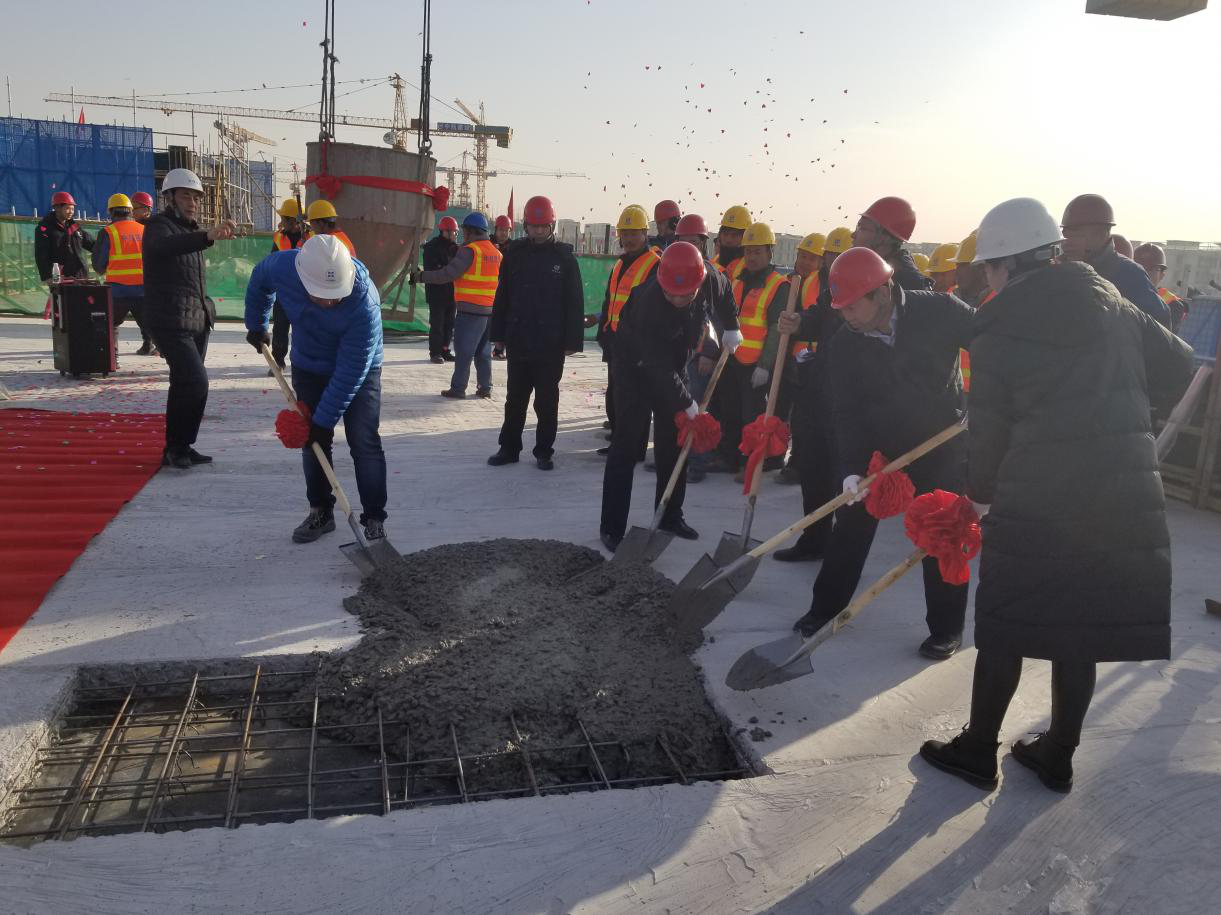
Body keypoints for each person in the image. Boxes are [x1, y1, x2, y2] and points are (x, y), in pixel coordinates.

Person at [919, 197, 1194, 793]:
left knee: (1007, 618)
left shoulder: (998, 327)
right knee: (1082, 621)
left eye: (989, 268)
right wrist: (1122, 414)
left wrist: (979, 498)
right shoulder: (1107, 297)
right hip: (1119, 491)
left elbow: (989, 433)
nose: (987, 280)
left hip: (1039, 495)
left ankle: (977, 751)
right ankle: (1058, 755)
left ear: (1007, 264)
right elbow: (1178, 363)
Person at [789, 246, 975, 660]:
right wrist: (852, 469)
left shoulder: (939, 311)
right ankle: (825, 609)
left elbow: (992, 343)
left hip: (941, 440)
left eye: (853, 306)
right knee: (851, 522)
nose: (847, 316)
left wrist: (988, 401)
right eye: (841, 308)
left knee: (943, 532)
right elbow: (848, 411)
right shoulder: (845, 344)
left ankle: (946, 628)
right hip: (883, 445)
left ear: (883, 291)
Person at [245, 235, 389, 544]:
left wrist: (323, 422)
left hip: (360, 369)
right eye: (321, 295)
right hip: (310, 364)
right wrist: (256, 324)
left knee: (364, 440)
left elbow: (351, 371)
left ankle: (374, 518)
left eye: (336, 295)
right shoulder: (284, 266)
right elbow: (259, 280)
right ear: (302, 279)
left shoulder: (364, 302)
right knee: (312, 443)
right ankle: (321, 511)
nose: (329, 303)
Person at [599, 242, 742, 551]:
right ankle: (611, 527)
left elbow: (725, 293)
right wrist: (687, 402)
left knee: (673, 445)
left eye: (685, 295)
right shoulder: (648, 304)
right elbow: (656, 366)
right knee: (626, 445)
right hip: (634, 370)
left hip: (674, 364)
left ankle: (669, 516)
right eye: (671, 294)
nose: (677, 300)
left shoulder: (709, 278)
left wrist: (732, 327)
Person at [143, 168, 235, 469]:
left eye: (196, 198)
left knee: (184, 385)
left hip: (195, 320)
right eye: (186, 196)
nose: (193, 203)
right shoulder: (159, 226)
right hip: (169, 320)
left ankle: (179, 447)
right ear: (169, 198)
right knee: (196, 382)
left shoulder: (189, 231)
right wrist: (206, 237)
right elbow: (163, 247)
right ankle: (178, 447)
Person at [486, 195, 584, 470]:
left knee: (546, 401)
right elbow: (503, 296)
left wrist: (572, 341)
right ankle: (509, 448)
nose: (538, 231)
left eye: (543, 226)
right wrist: (499, 336)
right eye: (534, 226)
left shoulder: (564, 258)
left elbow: (574, 302)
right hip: (519, 338)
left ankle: (544, 451)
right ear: (526, 226)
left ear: (551, 226)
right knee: (515, 399)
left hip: (551, 343)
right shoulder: (514, 254)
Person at [773, 231, 844, 562]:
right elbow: (819, 315)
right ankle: (814, 539)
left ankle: (841, 554)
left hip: (852, 393)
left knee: (848, 479)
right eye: (829, 255)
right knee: (814, 469)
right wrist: (798, 322)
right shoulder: (829, 286)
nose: (832, 261)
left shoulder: (880, 279)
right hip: (817, 385)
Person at [713, 222, 790, 477]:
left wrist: (765, 366)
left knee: (752, 416)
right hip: (732, 358)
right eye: (748, 251)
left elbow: (776, 329)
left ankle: (753, 461)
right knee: (730, 412)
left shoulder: (778, 285)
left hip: (755, 365)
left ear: (769, 252)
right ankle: (729, 457)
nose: (752, 257)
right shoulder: (737, 279)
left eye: (758, 252)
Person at [673, 213, 741, 481]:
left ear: (703, 243)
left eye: (694, 241)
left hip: (700, 356)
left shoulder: (711, 275)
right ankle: (676, 456)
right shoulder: (672, 268)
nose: (689, 246)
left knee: (698, 407)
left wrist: (710, 353)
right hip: (678, 353)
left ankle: (697, 461)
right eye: (683, 241)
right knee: (676, 407)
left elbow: (718, 318)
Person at [596, 205, 661, 453]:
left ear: (645, 234)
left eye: (635, 233)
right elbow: (610, 299)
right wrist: (604, 331)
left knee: (637, 399)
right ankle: (619, 441)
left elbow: (653, 308)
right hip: (616, 340)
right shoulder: (620, 263)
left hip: (637, 344)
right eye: (625, 233)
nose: (629, 239)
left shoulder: (654, 264)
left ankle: (634, 448)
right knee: (616, 396)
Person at [415, 212, 502, 399]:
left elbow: (447, 274)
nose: (462, 234)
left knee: (464, 352)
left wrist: (421, 276)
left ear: (470, 231)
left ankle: (458, 388)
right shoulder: (495, 252)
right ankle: (485, 387)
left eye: (464, 231)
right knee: (483, 352)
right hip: (488, 311)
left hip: (470, 310)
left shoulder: (469, 251)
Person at [1060, 194, 1170, 327]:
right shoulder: (1060, 270)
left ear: (1101, 233)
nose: (1067, 243)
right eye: (1066, 236)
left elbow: (1158, 327)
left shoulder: (1129, 274)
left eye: (1076, 234)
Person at [776, 232, 826, 485]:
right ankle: (775, 456)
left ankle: (798, 462)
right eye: (802, 256)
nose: (805, 262)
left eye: (811, 258)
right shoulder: (789, 283)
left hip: (811, 362)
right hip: (789, 359)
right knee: (781, 411)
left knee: (803, 419)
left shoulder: (823, 286)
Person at [91, 193, 154, 358]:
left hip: (117, 290)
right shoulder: (144, 230)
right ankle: (149, 345)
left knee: (111, 324)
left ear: (111, 211)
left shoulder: (108, 232)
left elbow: (99, 265)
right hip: (143, 288)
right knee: (146, 321)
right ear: (130, 211)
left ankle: (113, 356)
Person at [852, 196, 931, 291]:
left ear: (885, 237)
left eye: (862, 228)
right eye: (857, 227)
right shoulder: (870, 267)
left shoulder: (909, 283)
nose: (853, 235)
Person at [269, 199, 310, 372]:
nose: (281, 222)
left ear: (293, 221)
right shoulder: (279, 236)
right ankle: (278, 361)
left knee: (304, 329)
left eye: (284, 218)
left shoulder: (311, 237)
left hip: (305, 292)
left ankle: (304, 362)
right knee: (280, 327)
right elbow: (272, 260)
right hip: (284, 290)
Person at [34, 191, 93, 282]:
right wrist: (47, 276)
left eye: (72, 209)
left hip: (80, 276)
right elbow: (41, 255)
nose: (71, 212)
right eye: (68, 208)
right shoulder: (45, 229)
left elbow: (91, 244)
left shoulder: (74, 227)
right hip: (60, 279)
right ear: (57, 208)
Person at [424, 216, 460, 364]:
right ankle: (435, 352)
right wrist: (448, 269)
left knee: (449, 324)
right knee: (437, 324)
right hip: (437, 294)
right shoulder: (432, 247)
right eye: (450, 232)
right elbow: (433, 269)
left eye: (454, 232)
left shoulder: (456, 248)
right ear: (442, 231)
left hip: (451, 293)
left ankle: (445, 350)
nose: (452, 235)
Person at [1133, 242, 1189, 332]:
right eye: (1141, 269)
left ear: (1162, 275)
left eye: (1153, 270)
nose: (1145, 274)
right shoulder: (1122, 292)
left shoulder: (1173, 305)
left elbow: (1163, 337)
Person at [710, 204, 752, 280]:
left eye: (734, 235)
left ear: (745, 237)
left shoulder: (751, 266)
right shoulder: (712, 263)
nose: (728, 239)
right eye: (725, 234)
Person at [953, 230, 990, 307]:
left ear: (981, 268)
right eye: (957, 265)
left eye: (962, 265)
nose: (956, 272)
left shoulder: (1002, 302)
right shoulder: (951, 300)